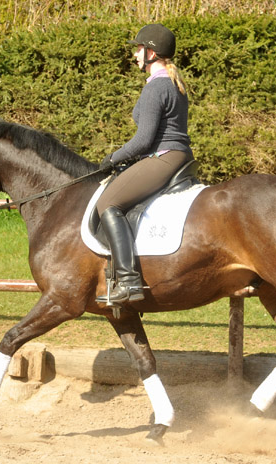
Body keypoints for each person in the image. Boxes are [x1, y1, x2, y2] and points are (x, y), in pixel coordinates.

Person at [96, 23, 194, 304]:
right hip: (177, 156)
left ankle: (127, 281)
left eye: (138, 49)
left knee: (108, 204)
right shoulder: (174, 83)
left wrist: (113, 158)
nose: (135, 55)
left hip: (163, 157)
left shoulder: (157, 87)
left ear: (151, 52)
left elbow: (143, 140)